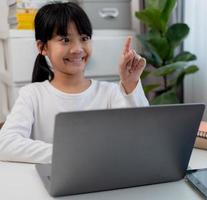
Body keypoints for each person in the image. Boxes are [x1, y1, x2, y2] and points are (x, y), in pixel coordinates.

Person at [0, 2, 149, 164]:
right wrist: (70, 154)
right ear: (42, 47)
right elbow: (5, 144)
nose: (78, 48)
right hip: (51, 184)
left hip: (103, 181)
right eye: (65, 40)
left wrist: (131, 83)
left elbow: (141, 135)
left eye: (84, 38)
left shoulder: (110, 92)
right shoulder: (32, 95)